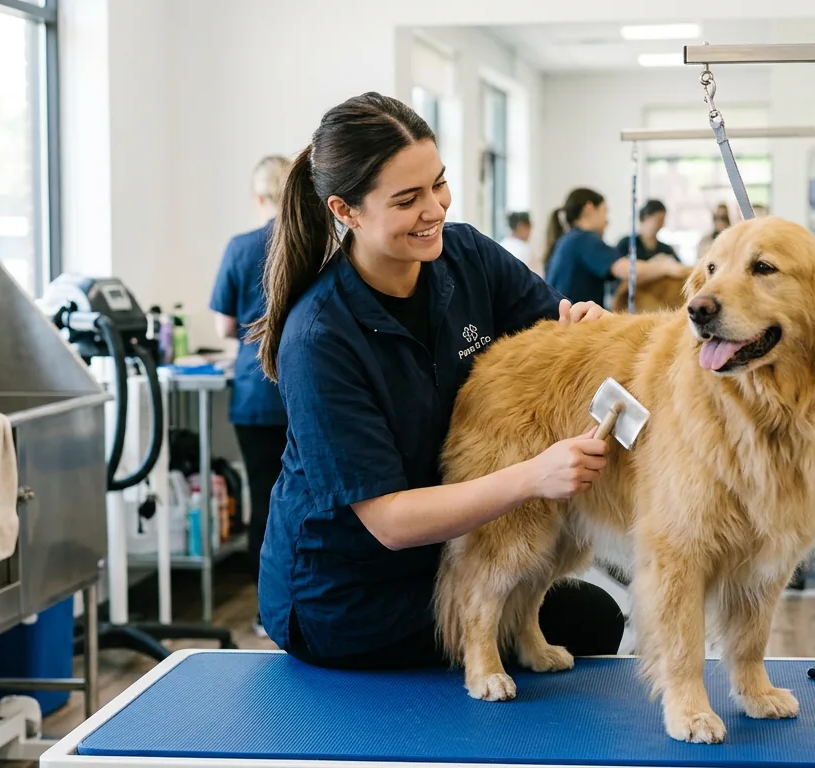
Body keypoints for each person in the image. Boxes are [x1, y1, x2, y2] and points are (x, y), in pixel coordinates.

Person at [246, 92, 627, 669]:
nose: (435, 210)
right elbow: (391, 522)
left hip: (455, 550)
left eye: (438, 184)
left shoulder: (466, 256)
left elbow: (556, 336)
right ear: (346, 211)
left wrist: (587, 333)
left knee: (592, 613)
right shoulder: (320, 338)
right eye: (407, 199)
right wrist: (534, 476)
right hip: (352, 594)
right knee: (588, 619)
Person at [210, 155, 290, 639]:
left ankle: (266, 610)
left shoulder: (241, 248)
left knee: (263, 498)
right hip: (301, 391)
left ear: (259, 197)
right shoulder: (313, 244)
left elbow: (225, 325)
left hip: (255, 396)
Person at [542, 188, 683, 307]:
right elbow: (626, 269)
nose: (607, 221)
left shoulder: (569, 239)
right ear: (589, 208)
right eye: (605, 212)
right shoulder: (584, 239)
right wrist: (668, 267)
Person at [612, 199, 676, 263]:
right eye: (659, 220)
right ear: (646, 218)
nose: (662, 224)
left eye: (663, 220)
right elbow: (616, 266)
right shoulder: (627, 244)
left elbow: (681, 268)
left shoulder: (666, 250)